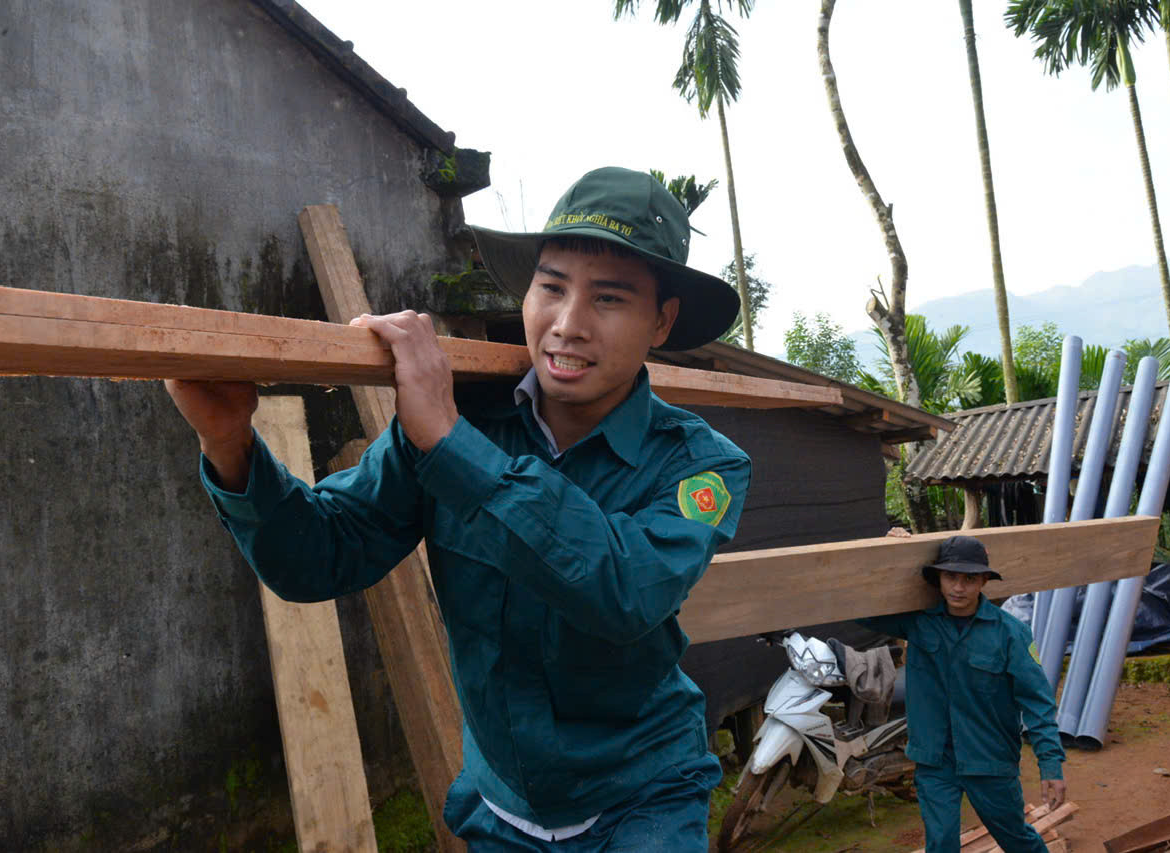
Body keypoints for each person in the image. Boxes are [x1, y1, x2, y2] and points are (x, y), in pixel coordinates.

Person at [165, 166, 751, 851]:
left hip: (643, 799)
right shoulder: (457, 420)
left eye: (610, 299)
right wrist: (229, 442)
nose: (568, 325)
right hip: (501, 810)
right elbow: (319, 556)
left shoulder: (700, 465)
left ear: (662, 320)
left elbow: (622, 590)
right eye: (552, 287)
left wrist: (451, 445)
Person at [858, 534, 1067, 853]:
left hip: (989, 759)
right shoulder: (918, 622)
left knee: (1016, 839)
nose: (958, 587)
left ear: (984, 580)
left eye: (969, 579)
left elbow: (1038, 703)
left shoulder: (1010, 633)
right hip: (935, 759)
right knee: (941, 843)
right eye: (950, 577)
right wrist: (887, 555)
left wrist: (1050, 765)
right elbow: (860, 610)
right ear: (938, 579)